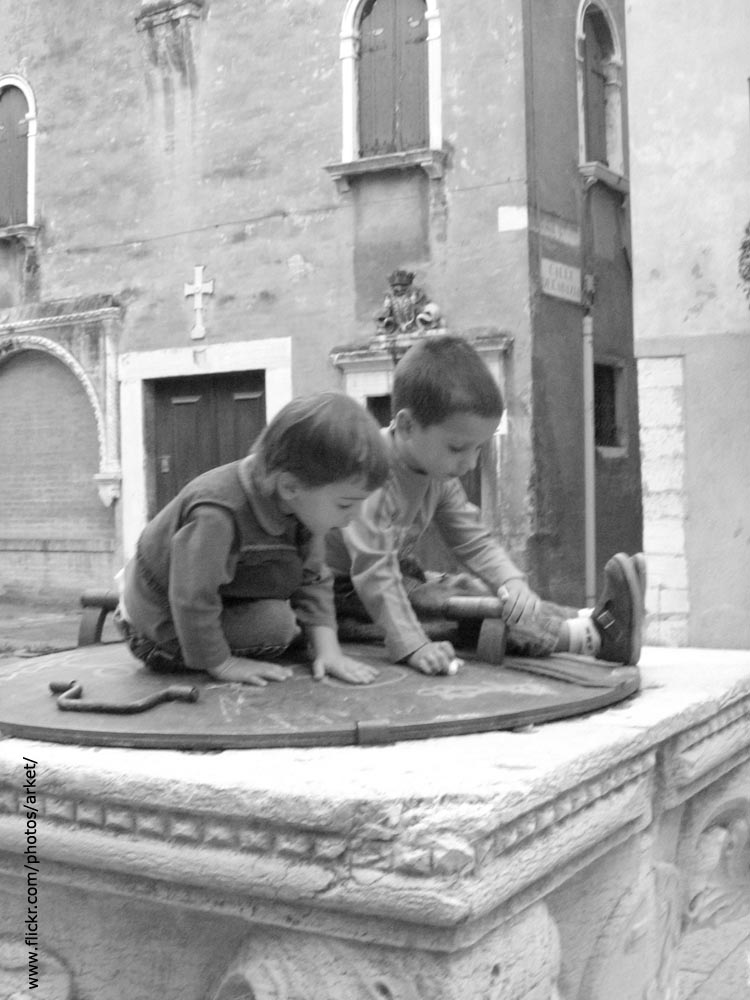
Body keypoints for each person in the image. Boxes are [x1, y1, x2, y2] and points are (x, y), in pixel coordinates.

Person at [326, 335, 646, 675]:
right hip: (343, 596)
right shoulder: (369, 476)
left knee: (470, 589)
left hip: (399, 574)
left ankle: (595, 617)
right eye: (457, 448)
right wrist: (412, 643)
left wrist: (511, 581)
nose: (470, 463)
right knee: (459, 611)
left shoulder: (438, 475)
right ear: (406, 426)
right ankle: (592, 638)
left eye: (479, 448)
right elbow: (374, 575)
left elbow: (473, 540)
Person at [116, 392, 390, 686]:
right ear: (290, 487)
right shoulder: (218, 513)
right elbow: (192, 597)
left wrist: (328, 651)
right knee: (278, 626)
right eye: (346, 504)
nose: (356, 515)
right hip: (156, 628)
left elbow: (312, 580)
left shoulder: (302, 508)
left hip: (220, 605)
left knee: (286, 622)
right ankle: (208, 654)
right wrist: (221, 663)